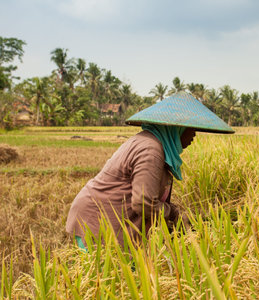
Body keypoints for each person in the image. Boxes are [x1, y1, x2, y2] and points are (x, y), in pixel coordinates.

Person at [65, 92, 234, 248]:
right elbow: (144, 204)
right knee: (106, 277)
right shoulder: (151, 150)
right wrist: (174, 215)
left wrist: (174, 214)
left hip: (108, 222)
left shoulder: (154, 145)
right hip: (97, 223)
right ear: (176, 128)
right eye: (192, 129)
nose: (194, 136)